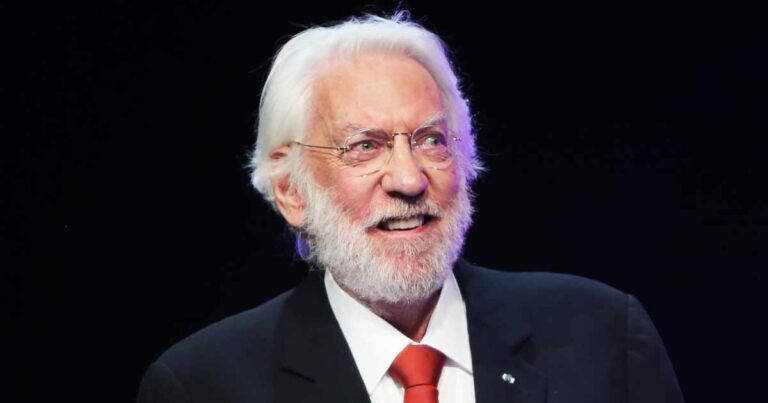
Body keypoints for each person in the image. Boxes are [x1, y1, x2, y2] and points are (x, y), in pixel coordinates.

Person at [137, 12, 684, 403]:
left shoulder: (604, 336)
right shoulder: (201, 385)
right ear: (291, 191)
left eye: (430, 140)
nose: (408, 179)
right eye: (364, 146)